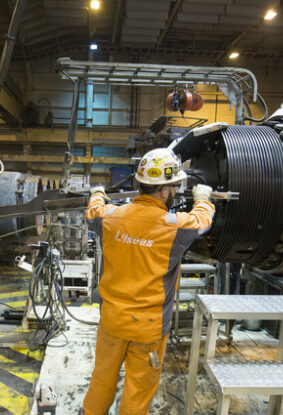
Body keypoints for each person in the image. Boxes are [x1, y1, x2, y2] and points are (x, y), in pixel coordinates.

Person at [82, 147, 215, 414]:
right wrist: (203, 199)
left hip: (112, 322)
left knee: (102, 378)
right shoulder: (176, 226)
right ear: (163, 191)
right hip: (149, 329)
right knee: (139, 389)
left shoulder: (109, 217)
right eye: (174, 187)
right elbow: (203, 220)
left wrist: (97, 192)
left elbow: (93, 210)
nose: (175, 192)